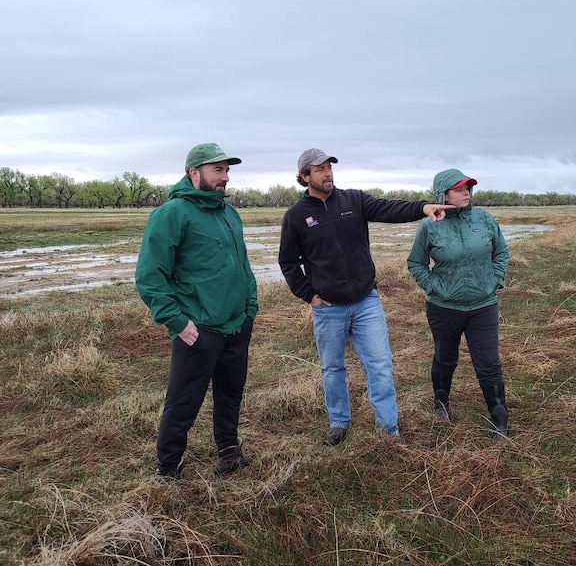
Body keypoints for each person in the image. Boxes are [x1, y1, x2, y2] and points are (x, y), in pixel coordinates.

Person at [278, 148, 453, 446]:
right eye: (319, 169)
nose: (328, 173)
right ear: (305, 176)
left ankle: (388, 430)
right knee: (332, 368)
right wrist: (310, 296)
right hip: (328, 308)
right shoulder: (296, 216)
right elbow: (288, 262)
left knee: (380, 365)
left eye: (329, 168)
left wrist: (423, 208)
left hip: (365, 301)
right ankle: (339, 422)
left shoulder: (354, 200)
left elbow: (389, 209)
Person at [135, 142, 258, 477]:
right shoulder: (172, 214)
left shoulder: (229, 214)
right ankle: (168, 470)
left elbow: (243, 265)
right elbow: (149, 277)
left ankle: (229, 454)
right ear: (194, 173)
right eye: (218, 170)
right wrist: (178, 322)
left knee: (231, 395)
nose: (226, 177)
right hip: (199, 330)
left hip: (236, 325)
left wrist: (250, 307)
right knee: (183, 402)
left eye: (227, 170)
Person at [406, 169, 511, 437]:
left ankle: (499, 416)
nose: (467, 192)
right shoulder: (430, 225)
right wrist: (433, 286)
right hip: (444, 308)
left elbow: (501, 252)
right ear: (443, 194)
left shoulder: (484, 218)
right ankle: (441, 403)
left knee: (488, 362)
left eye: (469, 188)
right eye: (459, 188)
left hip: (483, 305)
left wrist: (494, 281)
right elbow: (416, 262)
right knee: (445, 357)